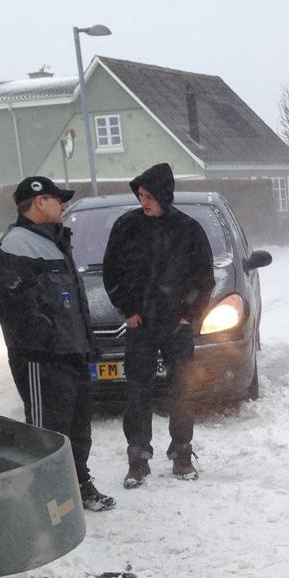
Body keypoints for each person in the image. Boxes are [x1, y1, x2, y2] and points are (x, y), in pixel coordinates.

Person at [0, 176, 115, 511]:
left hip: (72, 353)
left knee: (77, 428)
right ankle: (48, 499)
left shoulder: (55, 238)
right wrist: (45, 340)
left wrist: (85, 344)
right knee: (49, 432)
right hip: (43, 359)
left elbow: (69, 300)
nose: (64, 205)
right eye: (59, 200)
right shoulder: (17, 244)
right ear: (40, 202)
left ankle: (78, 484)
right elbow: (6, 305)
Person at [103, 163, 214, 487]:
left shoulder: (188, 230)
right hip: (141, 325)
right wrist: (128, 309)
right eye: (140, 196)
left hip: (176, 326)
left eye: (149, 196)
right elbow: (112, 273)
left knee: (182, 389)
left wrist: (189, 314)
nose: (144, 202)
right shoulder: (127, 227)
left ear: (164, 196)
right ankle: (138, 458)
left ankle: (182, 453)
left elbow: (203, 277)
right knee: (137, 392)